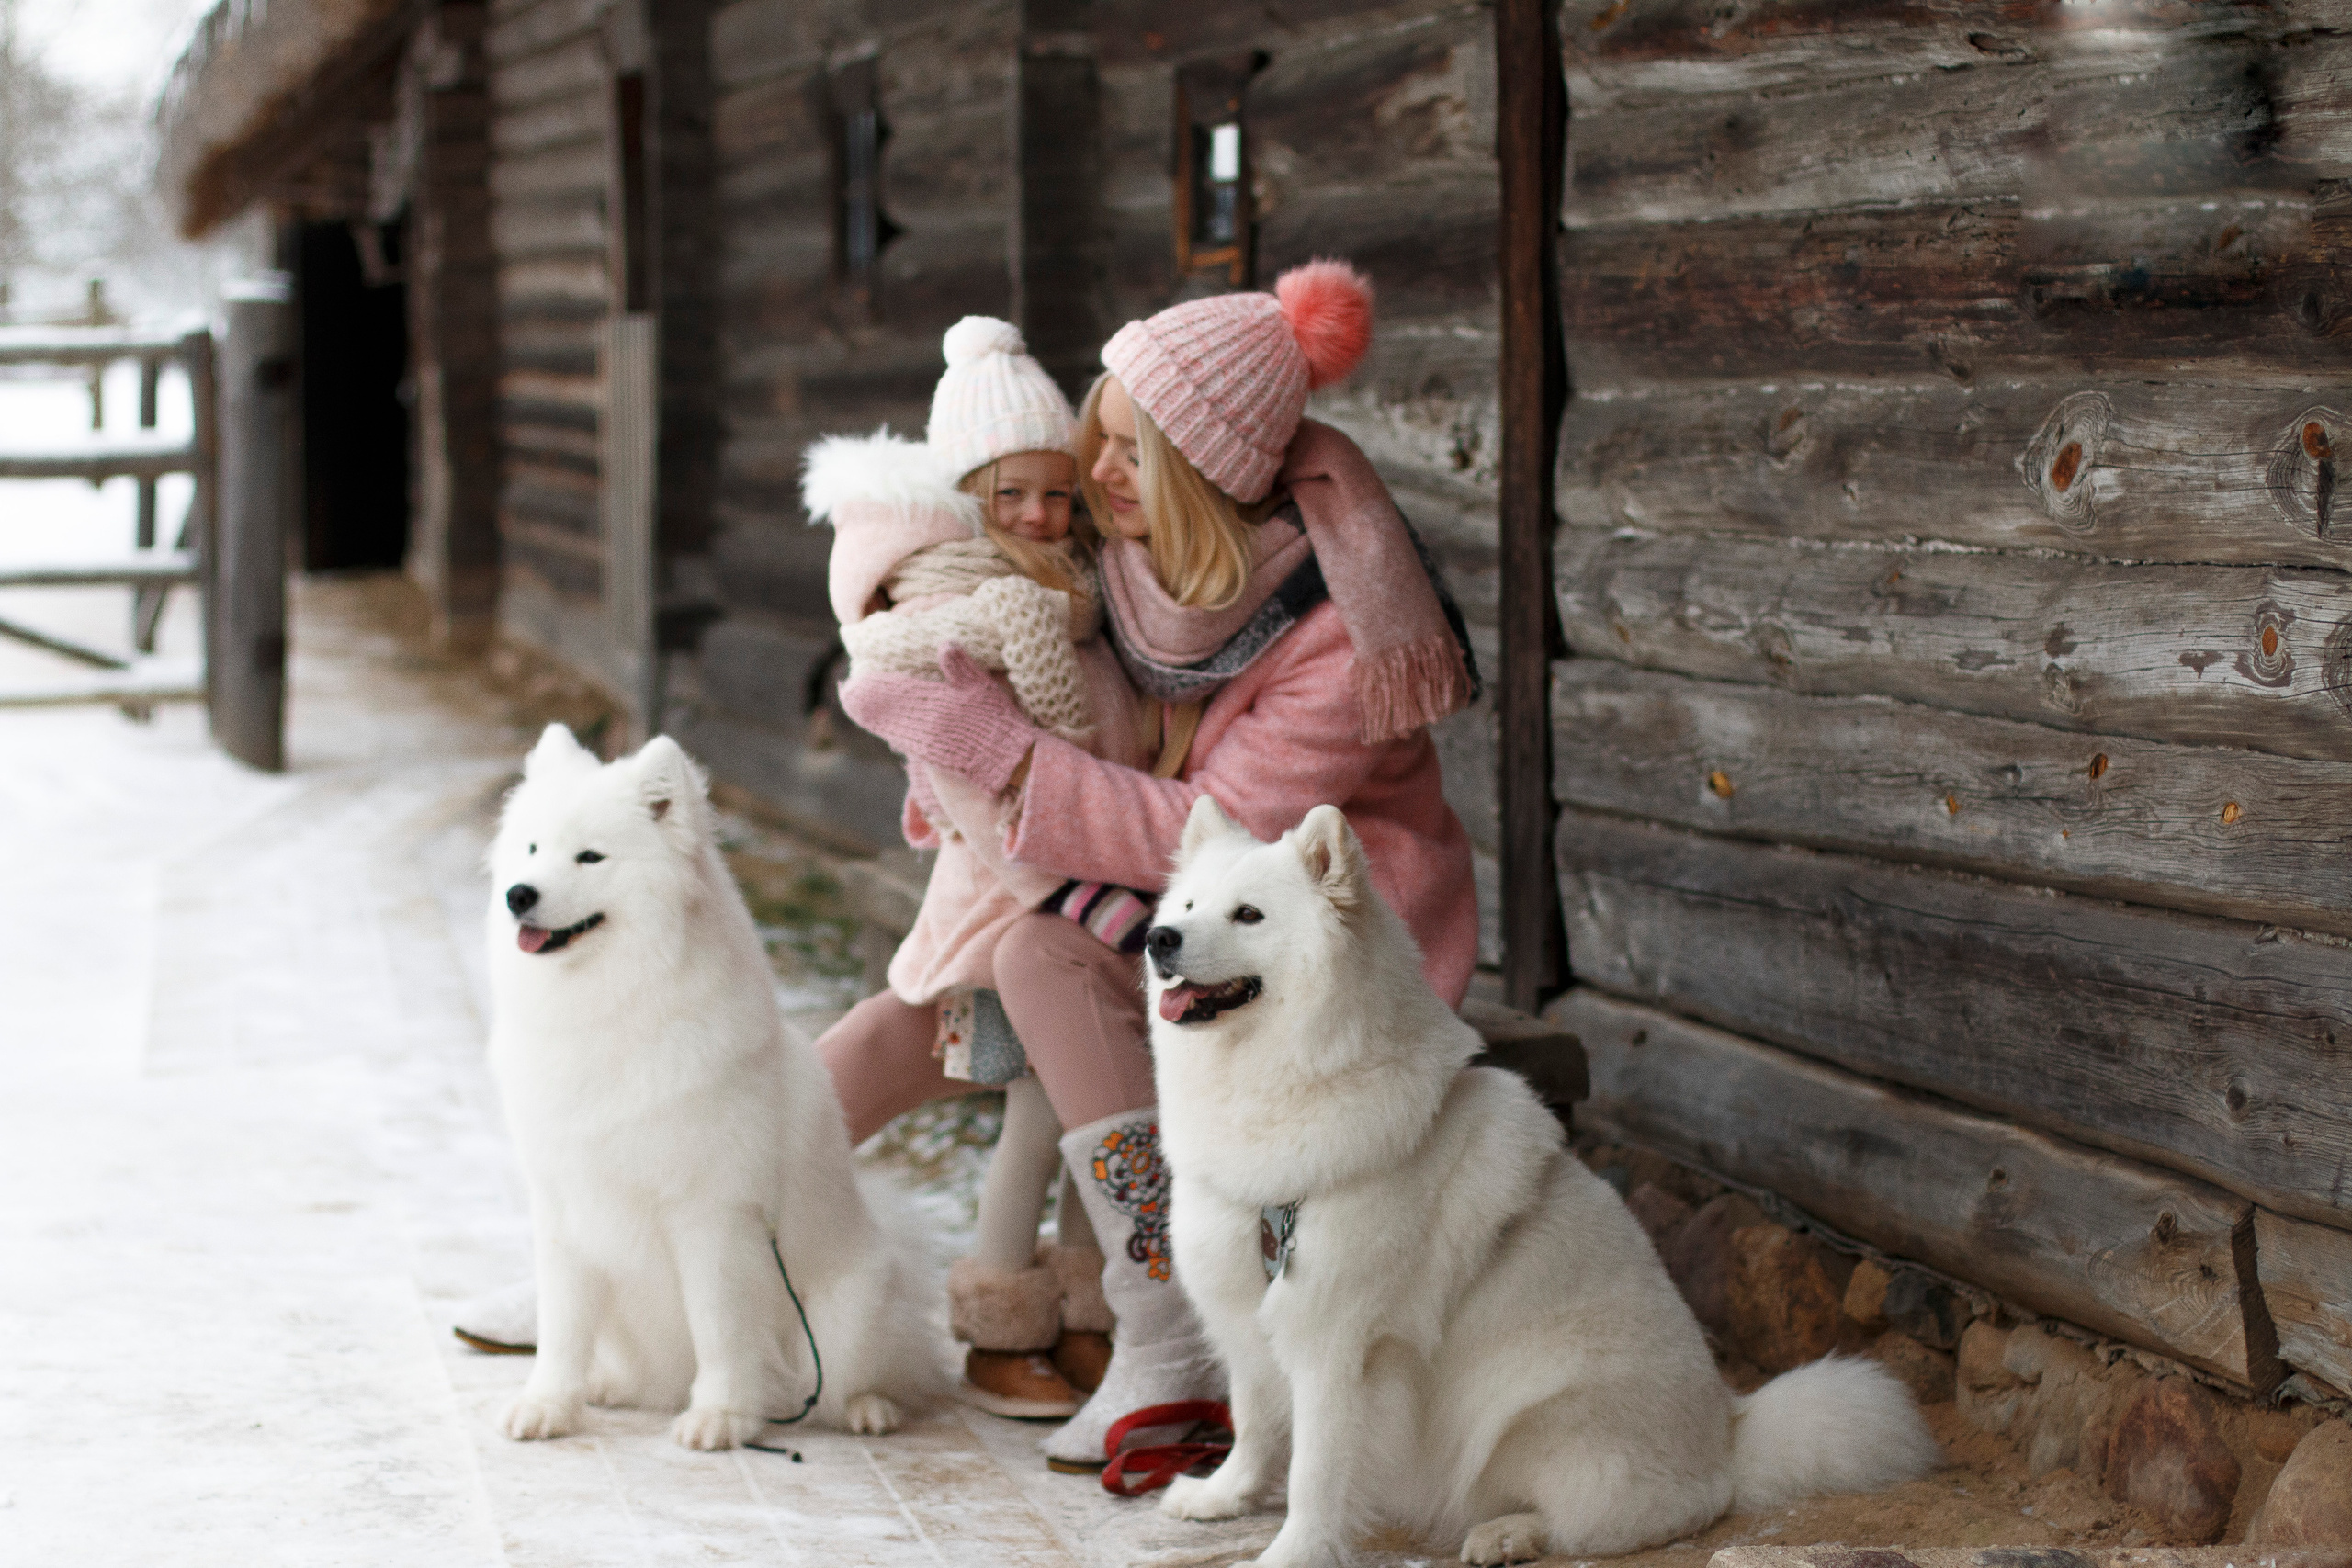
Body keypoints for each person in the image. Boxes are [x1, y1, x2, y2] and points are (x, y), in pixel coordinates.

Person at [836, 258, 1481, 1471]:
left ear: (1209, 473)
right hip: (1145, 898)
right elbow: (932, 551)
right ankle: (657, 1229)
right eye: (1103, 438)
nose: (1100, 473)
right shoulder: (1127, 568)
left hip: (1316, 940)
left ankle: (1167, 1331)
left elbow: (1206, 838)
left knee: (1033, 955)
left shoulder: (1330, 635)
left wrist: (1005, 756)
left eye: (1138, 452)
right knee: (938, 1004)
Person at [806, 316, 1151, 1419]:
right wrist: (1075, 892)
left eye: (1057, 494)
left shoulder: (1070, 596)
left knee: (1088, 1107)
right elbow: (980, 790)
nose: (1040, 516)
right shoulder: (953, 622)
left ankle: (1090, 1314)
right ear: (969, 496)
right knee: (1041, 1114)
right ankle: (1002, 1322)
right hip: (1014, 911)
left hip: (1096, 901)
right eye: (1012, 496)